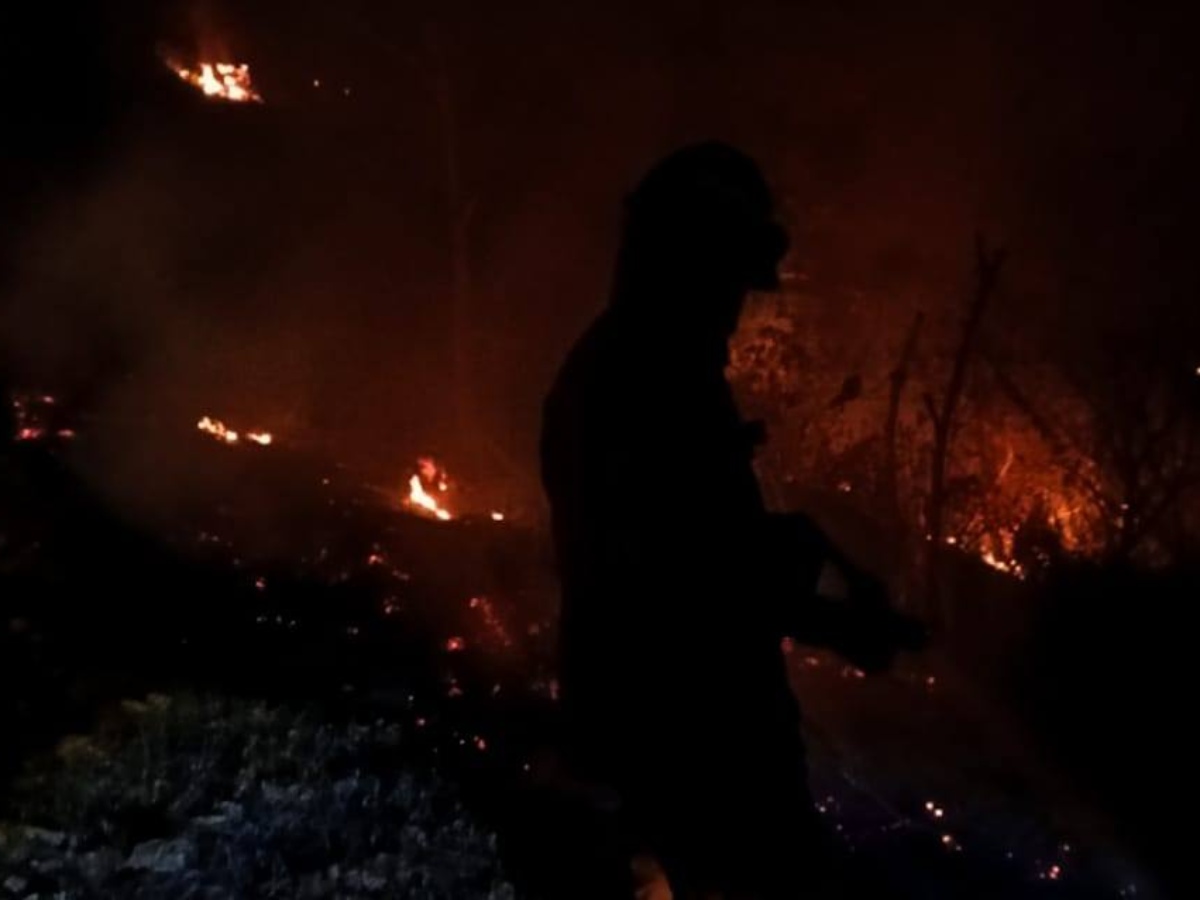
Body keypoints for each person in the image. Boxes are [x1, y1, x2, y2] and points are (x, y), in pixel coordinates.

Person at [540, 142, 923, 898]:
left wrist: (798, 546)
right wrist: (834, 622)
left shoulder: (640, 369)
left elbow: (700, 546)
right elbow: (681, 583)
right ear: (683, 264)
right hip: (692, 743)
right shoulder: (644, 384)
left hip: (668, 731)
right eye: (728, 279)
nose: (743, 303)